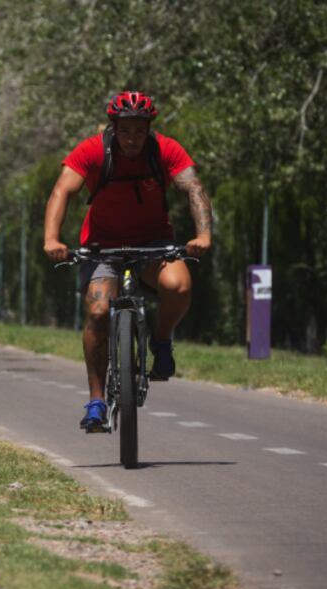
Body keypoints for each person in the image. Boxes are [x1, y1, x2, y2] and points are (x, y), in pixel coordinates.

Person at [42, 91, 212, 431]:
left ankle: (161, 340)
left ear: (149, 128)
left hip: (154, 244)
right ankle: (96, 401)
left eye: (139, 129)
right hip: (102, 246)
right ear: (113, 128)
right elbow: (63, 190)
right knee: (98, 312)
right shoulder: (92, 150)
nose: (132, 137)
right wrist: (52, 238)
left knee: (178, 285)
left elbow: (192, 187)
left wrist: (203, 234)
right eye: (125, 130)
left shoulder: (165, 150)